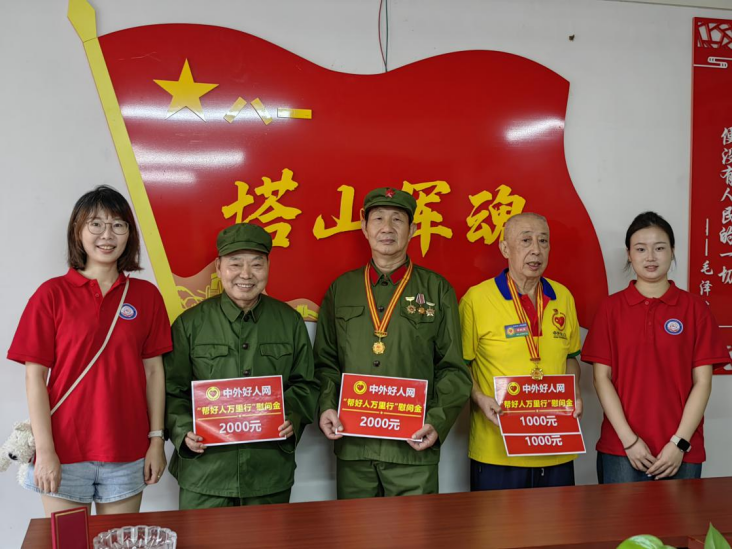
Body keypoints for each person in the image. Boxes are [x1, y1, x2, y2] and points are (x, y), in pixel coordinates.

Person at [7, 185, 171, 516]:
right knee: (69, 540)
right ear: (78, 231)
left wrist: (156, 440)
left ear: (129, 234)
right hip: (64, 451)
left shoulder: (146, 296)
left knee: (119, 539)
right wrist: (46, 451)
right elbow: (35, 378)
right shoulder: (51, 294)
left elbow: (154, 372)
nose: (107, 234)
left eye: (118, 225)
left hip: (127, 451)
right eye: (95, 224)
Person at [315, 187, 471, 499]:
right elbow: (325, 362)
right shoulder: (341, 289)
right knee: (354, 527)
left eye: (398, 220)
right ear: (364, 227)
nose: (387, 228)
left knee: (415, 528)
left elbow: (454, 369)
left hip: (413, 447)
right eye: (378, 219)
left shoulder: (437, 290)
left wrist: (436, 421)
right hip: (354, 447)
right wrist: (327, 405)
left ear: (412, 230)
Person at [165, 223, 319, 509]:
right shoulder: (190, 324)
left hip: (268, 473)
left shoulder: (289, 322)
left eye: (256, 264)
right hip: (206, 474)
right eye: (235, 264)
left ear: (268, 267)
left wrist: (291, 417)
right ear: (218, 267)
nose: (246, 274)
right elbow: (171, 389)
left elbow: (306, 384)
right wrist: (183, 430)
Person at [583, 211, 729, 483]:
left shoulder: (695, 309)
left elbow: (703, 382)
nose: (650, 257)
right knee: (621, 514)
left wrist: (679, 443)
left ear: (672, 251)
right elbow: (601, 379)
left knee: (681, 514)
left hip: (681, 450)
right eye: (641, 249)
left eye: (659, 248)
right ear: (629, 254)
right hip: (621, 449)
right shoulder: (610, 309)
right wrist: (629, 441)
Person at [460, 212, 583, 490]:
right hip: (497, 449)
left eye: (543, 241)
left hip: (555, 443)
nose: (536, 250)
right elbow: (460, 365)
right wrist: (479, 398)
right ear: (505, 248)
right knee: (496, 521)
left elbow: (570, 358)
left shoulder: (563, 297)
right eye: (526, 240)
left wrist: (574, 393)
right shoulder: (476, 299)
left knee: (559, 519)